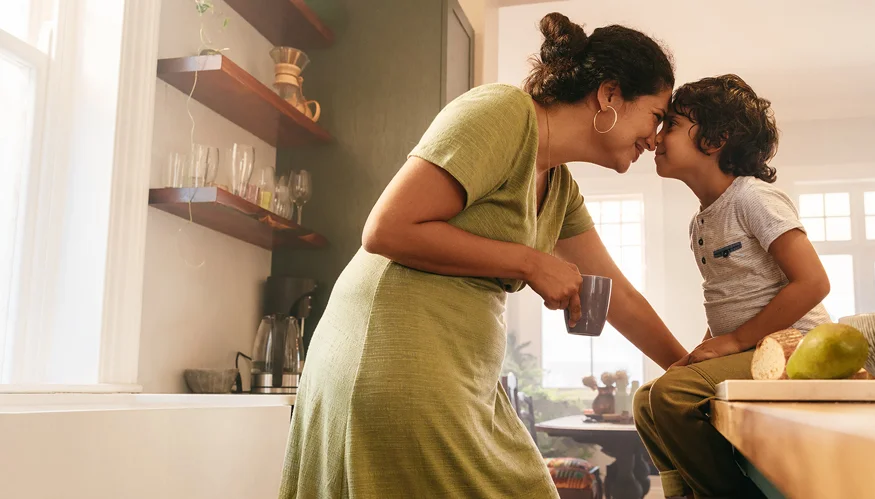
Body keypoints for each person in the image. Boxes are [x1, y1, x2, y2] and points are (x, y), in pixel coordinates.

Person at [279, 13, 687, 499]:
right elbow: (386, 228)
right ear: (610, 94)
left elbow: (619, 296)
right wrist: (532, 262)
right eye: (656, 116)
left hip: (462, 374)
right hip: (392, 355)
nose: (656, 138)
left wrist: (690, 371)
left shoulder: (560, 188)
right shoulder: (503, 113)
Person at [633, 75, 831, 499]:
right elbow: (729, 301)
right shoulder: (701, 223)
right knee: (647, 399)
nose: (656, 138)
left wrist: (735, 341)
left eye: (671, 124)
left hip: (795, 347)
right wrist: (703, 350)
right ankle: (685, 493)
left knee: (671, 395)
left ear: (715, 139)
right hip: (750, 348)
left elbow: (813, 282)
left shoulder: (753, 198)